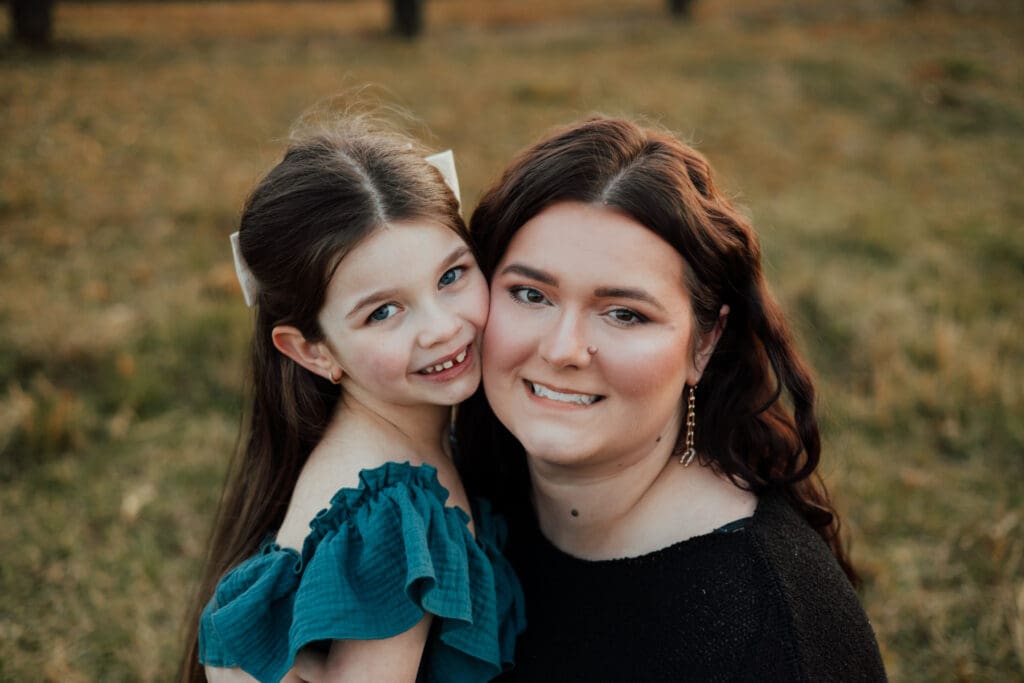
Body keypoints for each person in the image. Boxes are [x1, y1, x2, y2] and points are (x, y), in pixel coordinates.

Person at [456, 116, 887, 681]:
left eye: (625, 313)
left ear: (704, 344)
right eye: (531, 294)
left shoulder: (766, 634)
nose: (563, 349)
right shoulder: (463, 486)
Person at [178, 113, 524, 683]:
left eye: (451, 276)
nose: (440, 328)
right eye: (383, 312)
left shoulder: (415, 440)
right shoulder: (390, 511)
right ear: (314, 351)